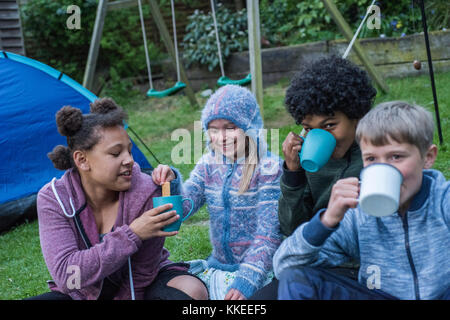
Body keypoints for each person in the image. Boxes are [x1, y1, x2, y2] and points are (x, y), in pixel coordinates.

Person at [28, 98, 208, 300]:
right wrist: (133, 234)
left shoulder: (147, 191)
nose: (129, 160)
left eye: (129, 150)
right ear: (82, 160)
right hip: (83, 292)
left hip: (145, 285)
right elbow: (68, 277)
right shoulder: (54, 198)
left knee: (192, 291)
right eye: (116, 153)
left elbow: (142, 274)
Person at [274, 101, 450, 300]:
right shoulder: (359, 214)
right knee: (297, 280)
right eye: (372, 159)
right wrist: (326, 220)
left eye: (396, 157)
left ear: (428, 157)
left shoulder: (443, 200)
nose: (383, 168)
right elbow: (285, 267)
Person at [251, 55, 377, 299]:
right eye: (309, 128)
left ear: (357, 116)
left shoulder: (378, 154)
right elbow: (292, 228)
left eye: (330, 125)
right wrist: (293, 174)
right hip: (310, 262)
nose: (319, 136)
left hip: (360, 270)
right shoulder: (308, 158)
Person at [152, 85, 283, 300]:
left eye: (230, 127)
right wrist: (172, 182)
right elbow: (185, 208)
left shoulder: (270, 168)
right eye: (213, 129)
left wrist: (247, 280)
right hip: (218, 268)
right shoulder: (208, 164)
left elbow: (269, 235)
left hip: (260, 272)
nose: (221, 137)